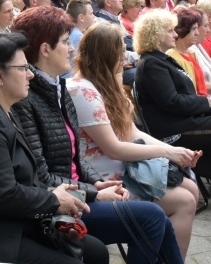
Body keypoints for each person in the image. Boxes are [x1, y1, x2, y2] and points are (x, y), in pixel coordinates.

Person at [0, 25, 106, 264]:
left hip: (10, 221)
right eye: (23, 68)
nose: (30, 74)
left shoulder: (1, 109)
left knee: (96, 251)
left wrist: (64, 194)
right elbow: (4, 195)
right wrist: (54, 200)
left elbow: (27, 179)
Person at [64, 21, 198, 258]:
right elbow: (114, 149)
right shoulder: (82, 90)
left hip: (126, 170)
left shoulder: (102, 85)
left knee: (191, 188)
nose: (124, 57)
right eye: (120, 51)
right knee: (184, 201)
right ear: (107, 55)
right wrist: (168, 153)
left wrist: (178, 152)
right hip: (105, 181)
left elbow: (132, 134)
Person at [134, 9, 211, 196]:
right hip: (174, 129)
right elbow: (172, 102)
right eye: (170, 31)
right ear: (156, 34)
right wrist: (205, 102)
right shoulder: (152, 64)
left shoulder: (160, 60)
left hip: (186, 117)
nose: (175, 34)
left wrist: (204, 102)